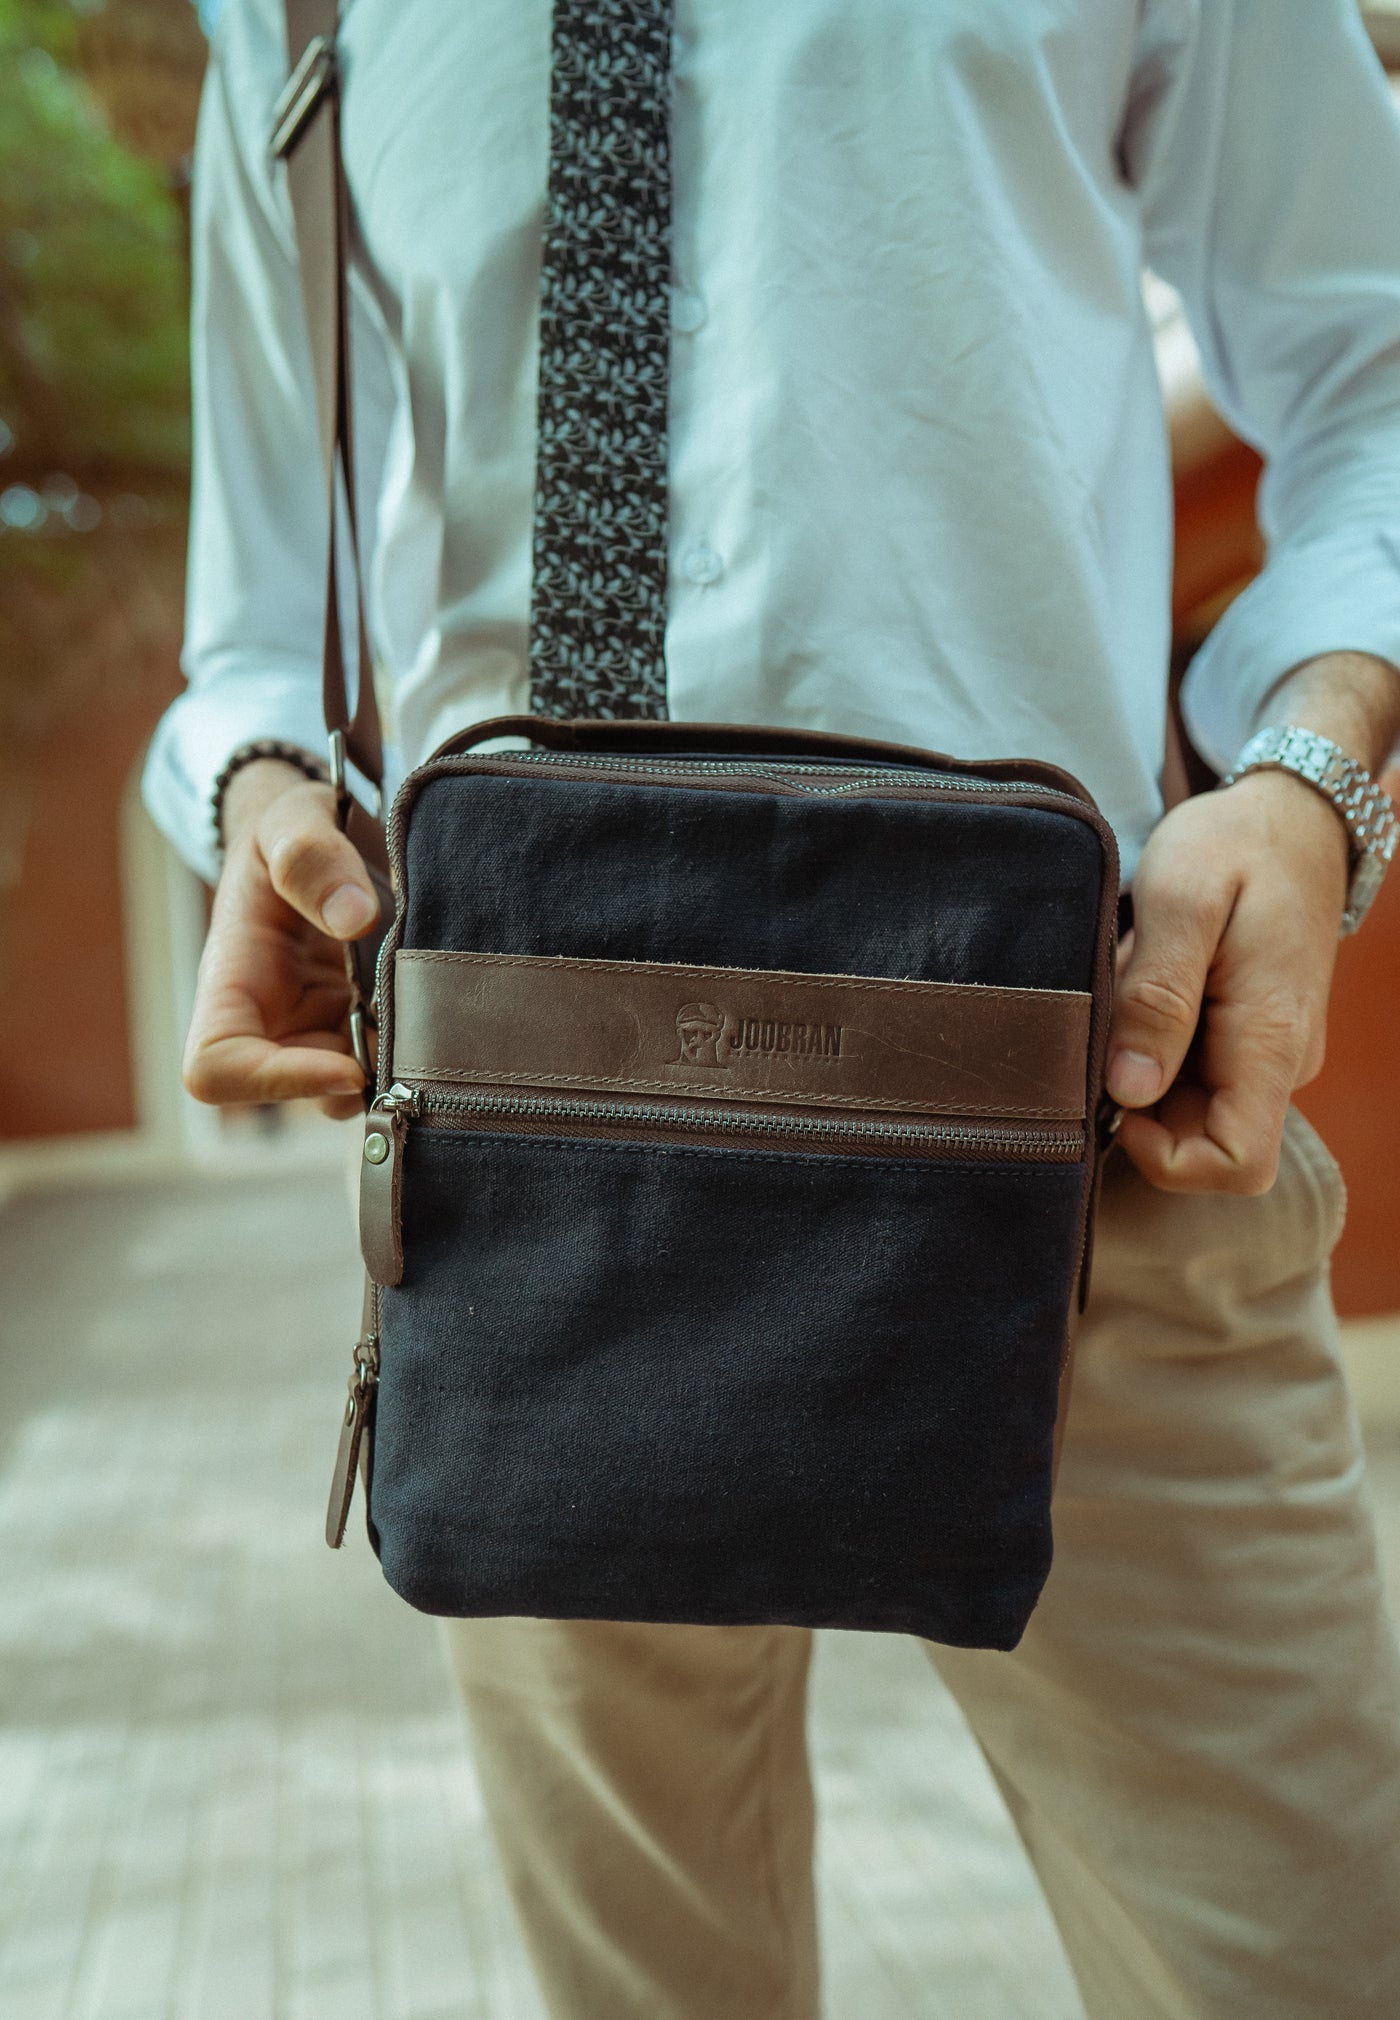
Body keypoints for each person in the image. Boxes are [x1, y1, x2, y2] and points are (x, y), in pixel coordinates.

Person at [145, 2, 1400, 2013]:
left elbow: (1373, 345)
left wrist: (1309, 764)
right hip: (534, 1191)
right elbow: (254, 608)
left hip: (1095, 1125)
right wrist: (255, 781)